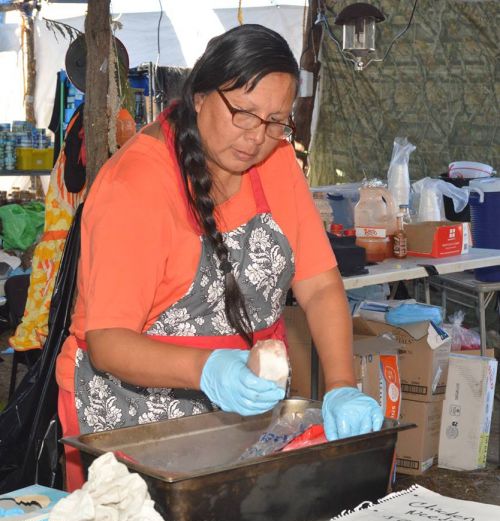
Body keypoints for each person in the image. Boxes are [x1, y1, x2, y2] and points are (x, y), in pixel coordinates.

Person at [56, 24, 383, 491]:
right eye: (243, 113)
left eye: (275, 120)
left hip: (244, 411)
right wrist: (210, 369)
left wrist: (342, 385)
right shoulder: (136, 184)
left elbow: (320, 284)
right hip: (130, 418)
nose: (256, 137)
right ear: (200, 96)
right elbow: (108, 341)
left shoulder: (276, 161)